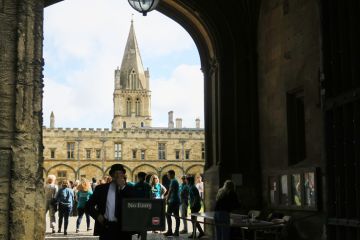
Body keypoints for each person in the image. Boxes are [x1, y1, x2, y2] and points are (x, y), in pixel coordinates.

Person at [85, 164, 134, 240]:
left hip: (124, 229)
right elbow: (88, 206)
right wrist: (98, 216)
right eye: (116, 173)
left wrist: (123, 187)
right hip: (106, 227)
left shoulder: (130, 189)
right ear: (112, 175)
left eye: (120, 173)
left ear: (123, 175)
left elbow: (134, 203)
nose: (118, 176)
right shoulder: (101, 189)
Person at [134, 172, 152, 239]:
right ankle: (142, 236)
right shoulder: (137, 186)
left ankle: (143, 236)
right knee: (143, 224)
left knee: (143, 224)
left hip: (142, 207)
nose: (144, 178)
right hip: (141, 206)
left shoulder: (147, 186)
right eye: (143, 177)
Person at [163, 170, 180, 237]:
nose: (167, 176)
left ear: (172, 174)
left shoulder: (173, 181)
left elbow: (170, 191)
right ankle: (175, 231)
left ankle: (170, 231)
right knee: (176, 216)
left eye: (168, 175)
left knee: (168, 215)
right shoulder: (174, 181)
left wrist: (167, 199)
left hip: (173, 201)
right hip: (175, 200)